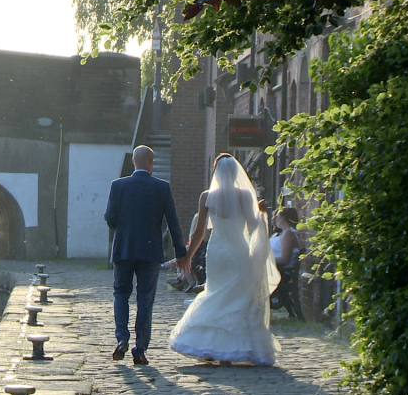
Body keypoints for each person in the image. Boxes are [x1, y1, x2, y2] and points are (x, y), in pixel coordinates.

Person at [170, 154, 281, 366]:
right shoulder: (245, 196)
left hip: (217, 252)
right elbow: (253, 226)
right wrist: (261, 213)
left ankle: (211, 346)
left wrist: (188, 256)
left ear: (216, 172)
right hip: (238, 250)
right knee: (237, 296)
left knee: (215, 293)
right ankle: (235, 347)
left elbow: (200, 232)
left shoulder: (206, 197)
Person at [104, 145, 186, 365]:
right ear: (151, 162)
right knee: (145, 299)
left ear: (133, 161)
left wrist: (123, 230)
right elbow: (173, 222)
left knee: (121, 293)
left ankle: (122, 337)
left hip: (124, 248)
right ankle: (140, 349)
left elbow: (110, 217)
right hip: (150, 251)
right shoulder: (161, 188)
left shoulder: (118, 186)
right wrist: (181, 253)